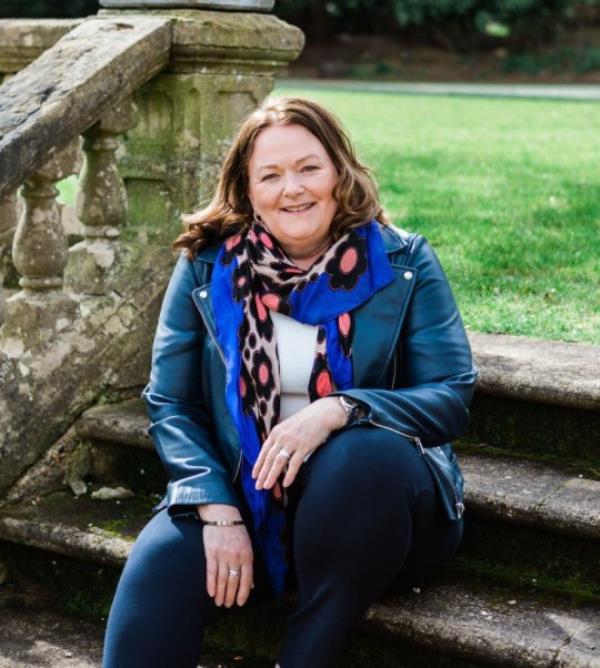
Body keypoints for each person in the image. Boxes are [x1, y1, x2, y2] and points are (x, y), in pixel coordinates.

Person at [102, 96, 477, 668]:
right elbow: (171, 403)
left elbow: (450, 394)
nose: (293, 189)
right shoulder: (207, 267)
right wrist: (216, 508)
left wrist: (340, 410)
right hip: (246, 497)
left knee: (362, 455)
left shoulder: (403, 262)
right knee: (153, 582)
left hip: (377, 509)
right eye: (270, 175)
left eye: (308, 168)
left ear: (339, 173)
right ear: (247, 191)